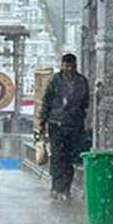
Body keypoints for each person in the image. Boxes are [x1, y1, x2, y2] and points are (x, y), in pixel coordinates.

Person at [39, 53, 90, 199]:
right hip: (56, 124)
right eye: (66, 66)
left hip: (74, 125)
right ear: (62, 65)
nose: (68, 69)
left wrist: (77, 113)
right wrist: (42, 121)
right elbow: (46, 101)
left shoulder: (81, 81)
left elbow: (85, 102)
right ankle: (56, 186)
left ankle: (66, 188)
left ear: (75, 66)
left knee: (69, 157)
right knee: (57, 156)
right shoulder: (54, 80)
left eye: (71, 66)